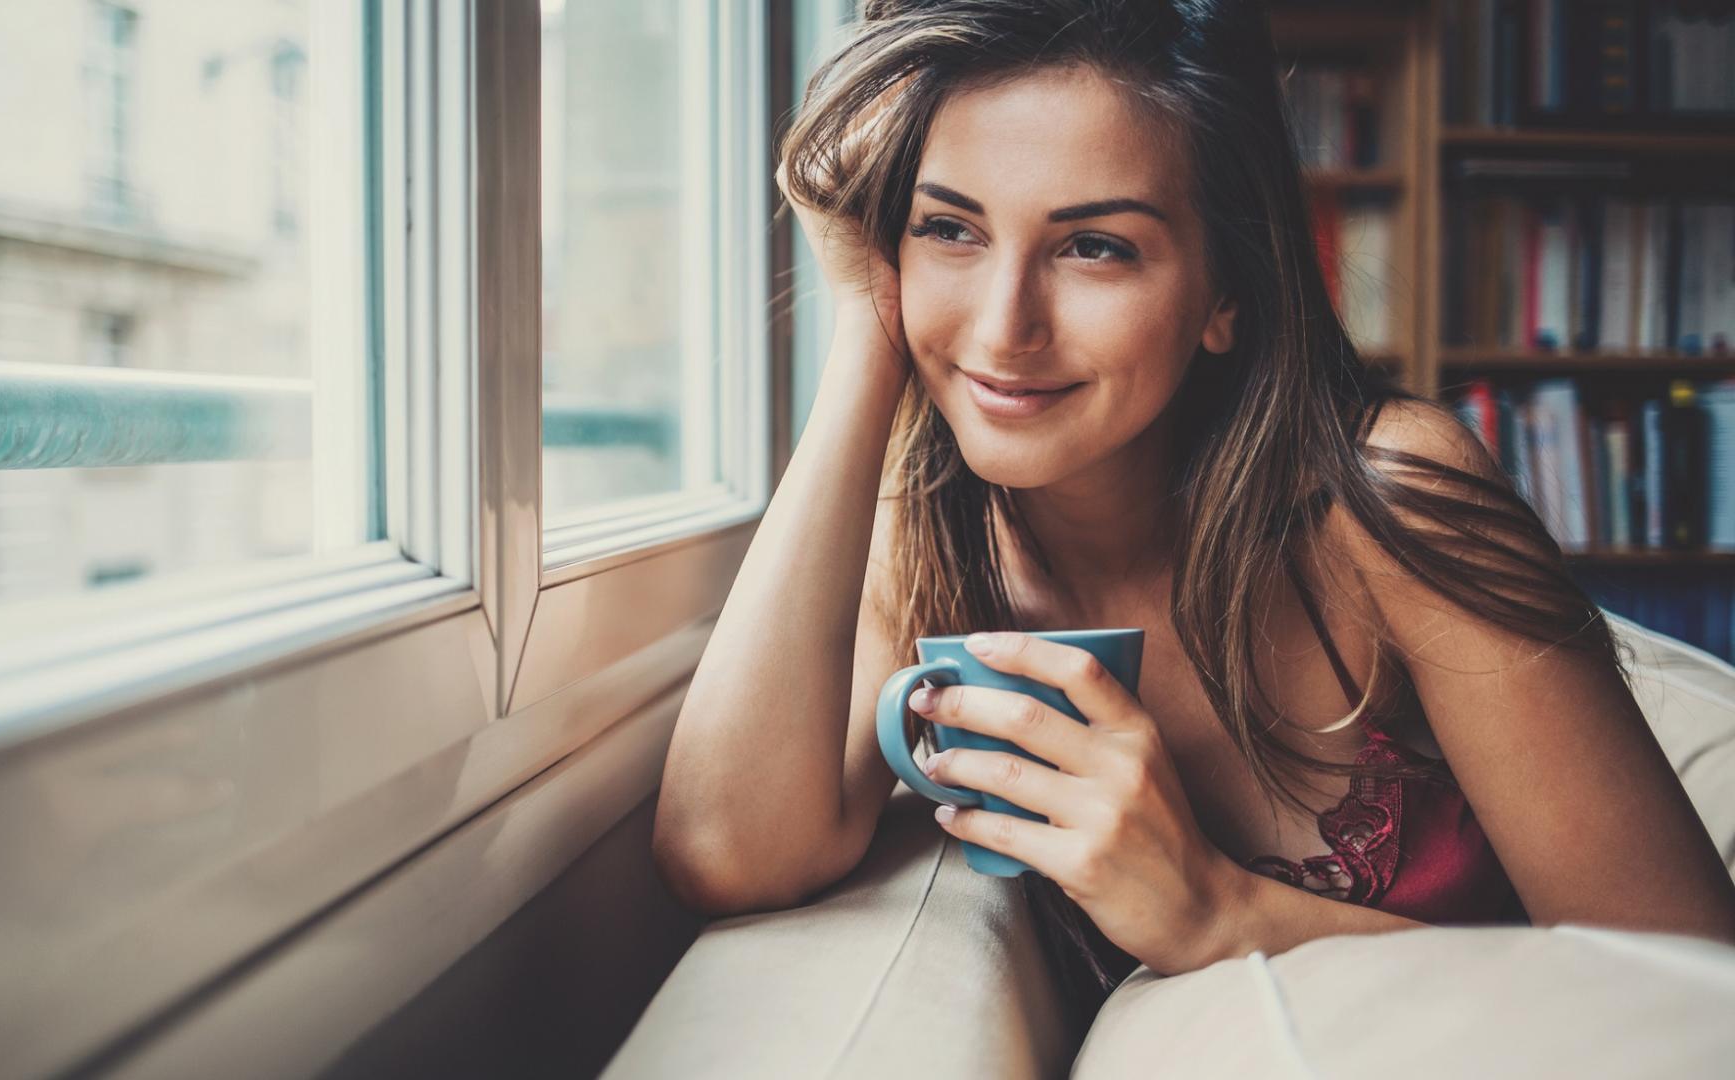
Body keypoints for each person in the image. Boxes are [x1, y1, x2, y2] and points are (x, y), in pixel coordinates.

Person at [651, 0, 1735, 1026]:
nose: (1003, 325)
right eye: (950, 229)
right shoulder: (929, 521)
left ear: (1226, 292)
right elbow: (724, 848)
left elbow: (1684, 972)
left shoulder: (1394, 495)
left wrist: (1217, 914)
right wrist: (864, 325)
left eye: (1094, 246)